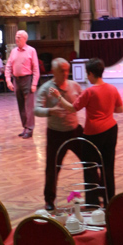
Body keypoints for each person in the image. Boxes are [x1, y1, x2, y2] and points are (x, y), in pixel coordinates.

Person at [34, 57, 83, 211]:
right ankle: (49, 200)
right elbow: (36, 109)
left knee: (90, 161)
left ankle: (96, 197)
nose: (65, 73)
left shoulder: (74, 85)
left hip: (75, 131)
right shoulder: (46, 88)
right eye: (62, 71)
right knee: (52, 168)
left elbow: (83, 102)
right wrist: (50, 111)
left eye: (67, 70)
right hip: (55, 133)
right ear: (54, 72)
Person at [72, 58, 123, 203]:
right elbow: (120, 109)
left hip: (93, 134)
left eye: (87, 74)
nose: (87, 77)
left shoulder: (89, 91)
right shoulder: (112, 88)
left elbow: (73, 108)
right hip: (111, 130)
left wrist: (58, 97)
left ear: (92, 73)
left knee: (90, 167)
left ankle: (93, 201)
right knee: (108, 167)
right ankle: (110, 201)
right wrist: (105, 110)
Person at [5, 30, 40, 139]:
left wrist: (34, 84)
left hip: (27, 79)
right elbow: (8, 66)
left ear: (25, 39)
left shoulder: (31, 50)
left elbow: (35, 68)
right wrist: (8, 80)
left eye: (19, 37)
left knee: (28, 106)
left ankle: (30, 129)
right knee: (21, 106)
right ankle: (25, 127)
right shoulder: (13, 51)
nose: (17, 39)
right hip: (16, 80)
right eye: (16, 37)